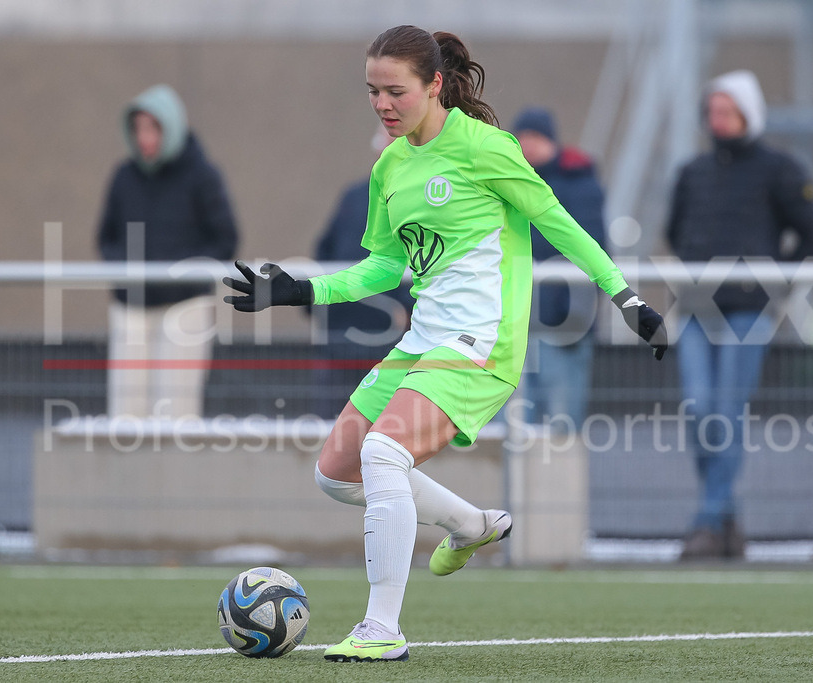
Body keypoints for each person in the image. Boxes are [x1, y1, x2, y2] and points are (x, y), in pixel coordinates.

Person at [224, 25, 667, 662]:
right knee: (335, 474)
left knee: (381, 456)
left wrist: (627, 299)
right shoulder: (390, 166)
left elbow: (561, 227)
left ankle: (382, 629)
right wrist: (300, 292)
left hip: (482, 347)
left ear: (434, 85)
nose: (382, 104)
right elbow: (380, 267)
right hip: (423, 340)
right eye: (372, 91)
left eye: (395, 91)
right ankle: (469, 524)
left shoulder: (487, 149)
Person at [665, 69, 813, 560]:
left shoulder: (781, 169)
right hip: (696, 309)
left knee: (726, 415)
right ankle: (725, 518)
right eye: (712, 110)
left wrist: (775, 284)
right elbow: (675, 232)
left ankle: (709, 521)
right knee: (699, 410)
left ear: (747, 114)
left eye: (726, 110)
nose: (716, 119)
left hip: (747, 313)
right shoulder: (692, 172)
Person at [97, 84, 239, 418]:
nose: (145, 138)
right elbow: (107, 238)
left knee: (175, 410)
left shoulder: (202, 176)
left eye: (153, 128)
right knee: (126, 410)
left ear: (170, 128)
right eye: (138, 128)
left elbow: (224, 239)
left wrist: (181, 276)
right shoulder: (123, 177)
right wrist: (127, 277)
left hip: (184, 309)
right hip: (131, 309)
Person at [511, 107, 607, 429]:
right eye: (523, 138)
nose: (529, 146)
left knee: (560, 422)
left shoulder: (580, 186)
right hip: (513, 322)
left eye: (536, 138)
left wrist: (576, 315)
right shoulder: (505, 185)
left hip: (563, 325)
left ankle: (558, 482)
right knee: (512, 421)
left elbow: (593, 250)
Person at [310, 126, 414, 417]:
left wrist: (407, 309)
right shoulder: (355, 197)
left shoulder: (422, 202)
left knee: (385, 432)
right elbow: (325, 250)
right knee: (333, 429)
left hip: (391, 344)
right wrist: (316, 302)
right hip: (341, 337)